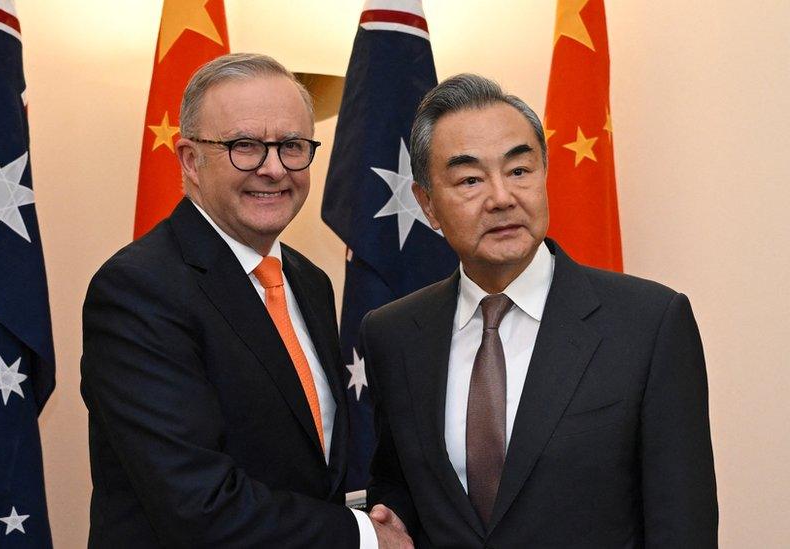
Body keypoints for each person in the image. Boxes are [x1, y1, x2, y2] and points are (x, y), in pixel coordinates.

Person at [362, 73, 718, 547]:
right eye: (470, 179)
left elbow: (682, 526)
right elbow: (401, 492)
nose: (502, 198)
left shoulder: (649, 323)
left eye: (519, 171)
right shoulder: (394, 334)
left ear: (544, 175)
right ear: (428, 204)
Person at [81, 53, 411, 548]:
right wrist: (363, 537)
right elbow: (197, 504)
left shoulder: (308, 280)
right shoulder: (137, 289)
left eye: (292, 146)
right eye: (245, 147)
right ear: (191, 160)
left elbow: (311, 467)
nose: (274, 169)